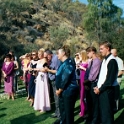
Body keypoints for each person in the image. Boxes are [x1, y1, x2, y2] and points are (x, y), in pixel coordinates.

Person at [94, 41, 118, 124]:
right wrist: (98, 87)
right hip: (102, 90)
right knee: (103, 113)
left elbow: (109, 80)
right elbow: (102, 76)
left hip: (107, 91)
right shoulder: (105, 60)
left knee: (107, 115)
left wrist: (100, 89)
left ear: (107, 48)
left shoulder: (112, 61)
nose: (100, 50)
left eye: (101, 49)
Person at [54, 45, 79, 124]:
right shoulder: (63, 63)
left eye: (58, 53)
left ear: (63, 53)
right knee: (63, 112)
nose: (57, 55)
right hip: (63, 92)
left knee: (68, 113)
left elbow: (65, 79)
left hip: (68, 91)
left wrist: (60, 90)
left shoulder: (68, 64)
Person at [84, 47, 101, 124]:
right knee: (89, 102)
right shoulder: (91, 61)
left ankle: (95, 119)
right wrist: (86, 83)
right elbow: (87, 72)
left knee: (94, 103)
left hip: (94, 83)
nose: (87, 54)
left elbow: (93, 76)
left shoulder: (97, 61)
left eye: (88, 53)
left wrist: (85, 82)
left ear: (92, 52)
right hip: (89, 84)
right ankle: (90, 117)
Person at [44, 49, 61, 119]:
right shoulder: (51, 60)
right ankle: (57, 113)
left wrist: (48, 70)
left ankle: (59, 114)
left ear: (49, 55)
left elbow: (57, 71)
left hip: (56, 80)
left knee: (58, 98)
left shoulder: (55, 59)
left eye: (46, 57)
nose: (46, 58)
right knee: (55, 97)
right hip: (53, 80)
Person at [77, 50, 88, 117]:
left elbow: (88, 70)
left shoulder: (88, 61)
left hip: (84, 78)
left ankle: (84, 110)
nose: (79, 55)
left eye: (81, 54)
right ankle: (83, 110)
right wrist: (80, 60)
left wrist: (82, 68)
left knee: (84, 95)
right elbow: (77, 64)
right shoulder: (82, 61)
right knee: (81, 95)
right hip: (81, 78)